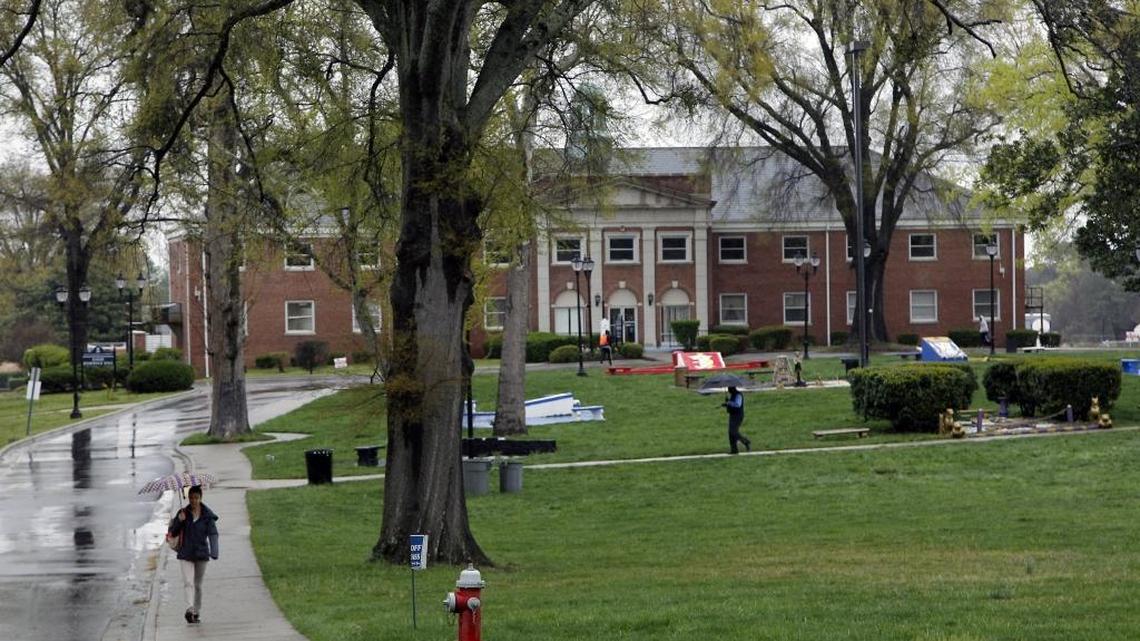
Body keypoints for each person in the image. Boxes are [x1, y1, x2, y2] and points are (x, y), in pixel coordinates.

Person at [167, 484, 219, 624]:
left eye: (196, 498)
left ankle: (196, 611)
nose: (193, 501)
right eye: (191, 498)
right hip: (186, 553)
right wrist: (179, 520)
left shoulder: (207, 515)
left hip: (201, 554)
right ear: (188, 498)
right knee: (188, 582)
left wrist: (214, 551)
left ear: (201, 498)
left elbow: (213, 533)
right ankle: (190, 609)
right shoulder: (183, 513)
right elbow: (173, 532)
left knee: (197, 585)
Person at [721, 385, 751, 454]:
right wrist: (726, 403)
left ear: (733, 389)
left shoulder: (738, 395)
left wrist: (728, 402)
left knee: (733, 431)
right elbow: (731, 405)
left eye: (729, 389)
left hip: (738, 416)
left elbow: (737, 405)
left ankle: (745, 441)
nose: (728, 390)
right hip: (733, 415)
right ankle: (734, 450)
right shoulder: (733, 395)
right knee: (730, 433)